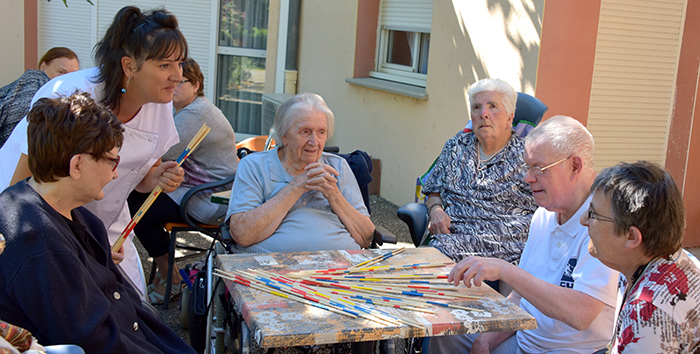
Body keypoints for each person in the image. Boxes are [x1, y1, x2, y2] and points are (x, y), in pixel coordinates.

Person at [0, 6, 187, 297]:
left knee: (132, 311)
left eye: (180, 63)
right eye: (165, 65)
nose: (178, 76)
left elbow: (141, 175)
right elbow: (20, 195)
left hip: (110, 229)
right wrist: (79, 246)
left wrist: (157, 177)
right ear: (129, 66)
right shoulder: (67, 96)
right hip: (46, 230)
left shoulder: (160, 103)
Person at [0, 92, 196, 354]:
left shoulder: (73, 215)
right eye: (113, 160)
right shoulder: (38, 242)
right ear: (77, 164)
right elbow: (95, 342)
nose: (115, 173)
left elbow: (130, 308)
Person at [432, 116, 619, 353]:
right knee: (445, 332)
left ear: (574, 166)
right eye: (527, 167)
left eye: (538, 168)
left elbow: (580, 314)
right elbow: (521, 297)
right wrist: (486, 340)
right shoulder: (544, 214)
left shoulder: (603, 222)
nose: (527, 178)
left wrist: (505, 270)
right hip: (523, 341)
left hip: (566, 350)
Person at [128, 57, 238, 304]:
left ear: (196, 85)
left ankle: (172, 278)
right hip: (195, 187)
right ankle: (166, 275)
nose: (173, 86)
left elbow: (156, 153)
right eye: (169, 81)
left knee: (140, 215)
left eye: (180, 82)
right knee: (134, 199)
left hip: (210, 198)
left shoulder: (195, 115)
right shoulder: (188, 110)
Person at [226, 92, 375, 253]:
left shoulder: (338, 167)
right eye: (305, 131)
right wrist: (296, 187)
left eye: (321, 132)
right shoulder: (254, 166)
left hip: (339, 269)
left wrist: (334, 195)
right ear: (284, 136)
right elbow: (242, 234)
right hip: (271, 270)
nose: (314, 141)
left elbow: (365, 237)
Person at [582, 161, 700, 353]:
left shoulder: (648, 314)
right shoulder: (671, 259)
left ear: (631, 237)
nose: (583, 221)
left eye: (593, 214)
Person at [422, 78, 538, 269]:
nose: (483, 114)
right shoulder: (455, 147)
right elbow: (433, 191)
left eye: (493, 106)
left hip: (509, 252)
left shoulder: (528, 156)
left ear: (510, 117)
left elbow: (549, 207)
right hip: (453, 243)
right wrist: (436, 210)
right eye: (477, 107)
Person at [0, 47, 80, 148]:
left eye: (73, 74)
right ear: (43, 67)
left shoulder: (69, 92)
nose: (67, 78)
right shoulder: (31, 85)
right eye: (61, 72)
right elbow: (20, 130)